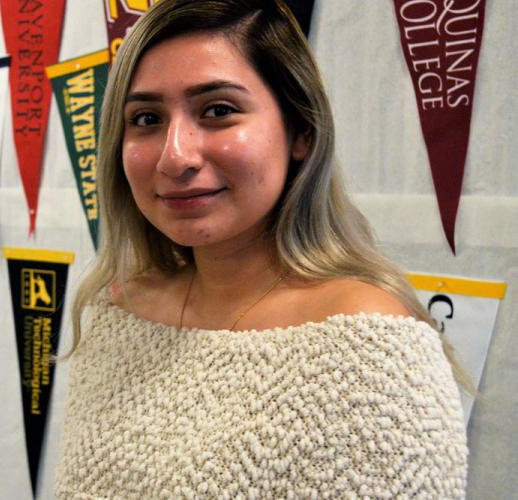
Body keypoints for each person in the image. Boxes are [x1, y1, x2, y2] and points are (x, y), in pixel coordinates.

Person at [55, 0, 469, 497]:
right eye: (146, 118)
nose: (175, 156)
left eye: (218, 111)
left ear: (301, 132)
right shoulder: (118, 310)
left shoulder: (369, 350)